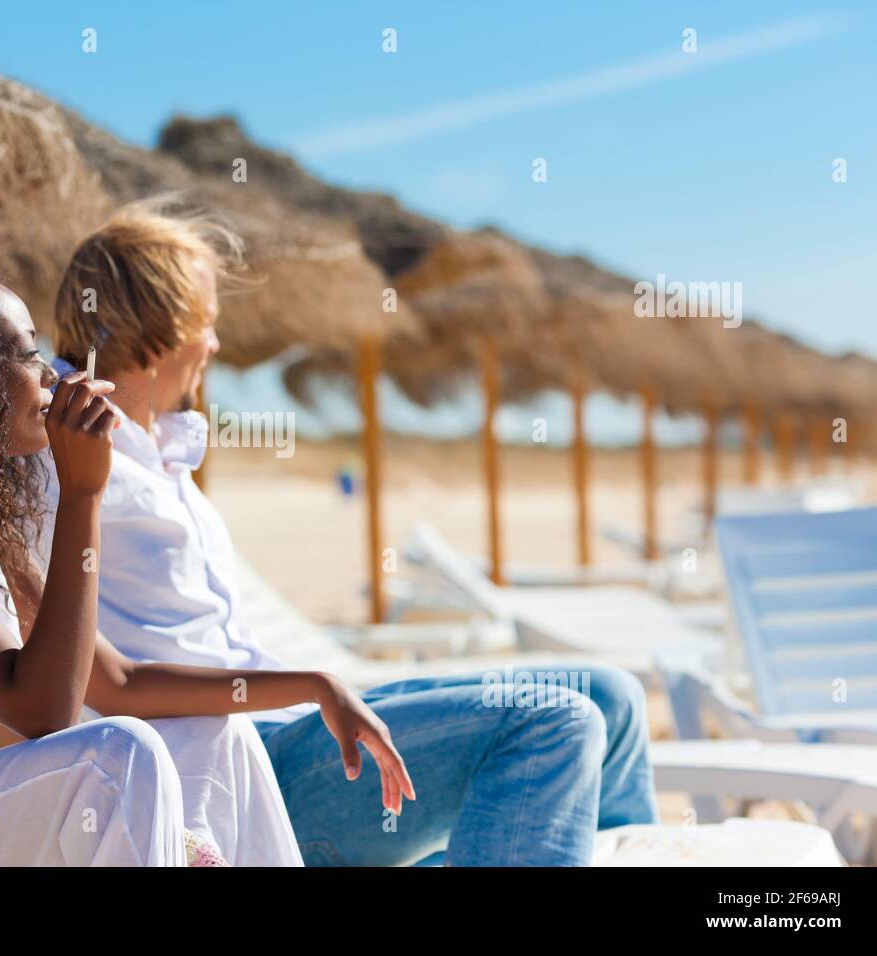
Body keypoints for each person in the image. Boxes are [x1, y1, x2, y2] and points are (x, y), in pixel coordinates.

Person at [36, 201, 661, 866]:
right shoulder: (63, 466)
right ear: (159, 326)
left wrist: (308, 688)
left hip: (283, 722)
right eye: (208, 325)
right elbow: (101, 683)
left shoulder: (162, 451)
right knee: (556, 726)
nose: (216, 346)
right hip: (241, 777)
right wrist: (310, 684)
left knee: (612, 698)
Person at [0, 217, 392, 866]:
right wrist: (84, 493)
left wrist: (313, 683)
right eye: (26, 354)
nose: (51, 375)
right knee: (119, 758)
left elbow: (115, 683)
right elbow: (43, 711)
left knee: (220, 737)